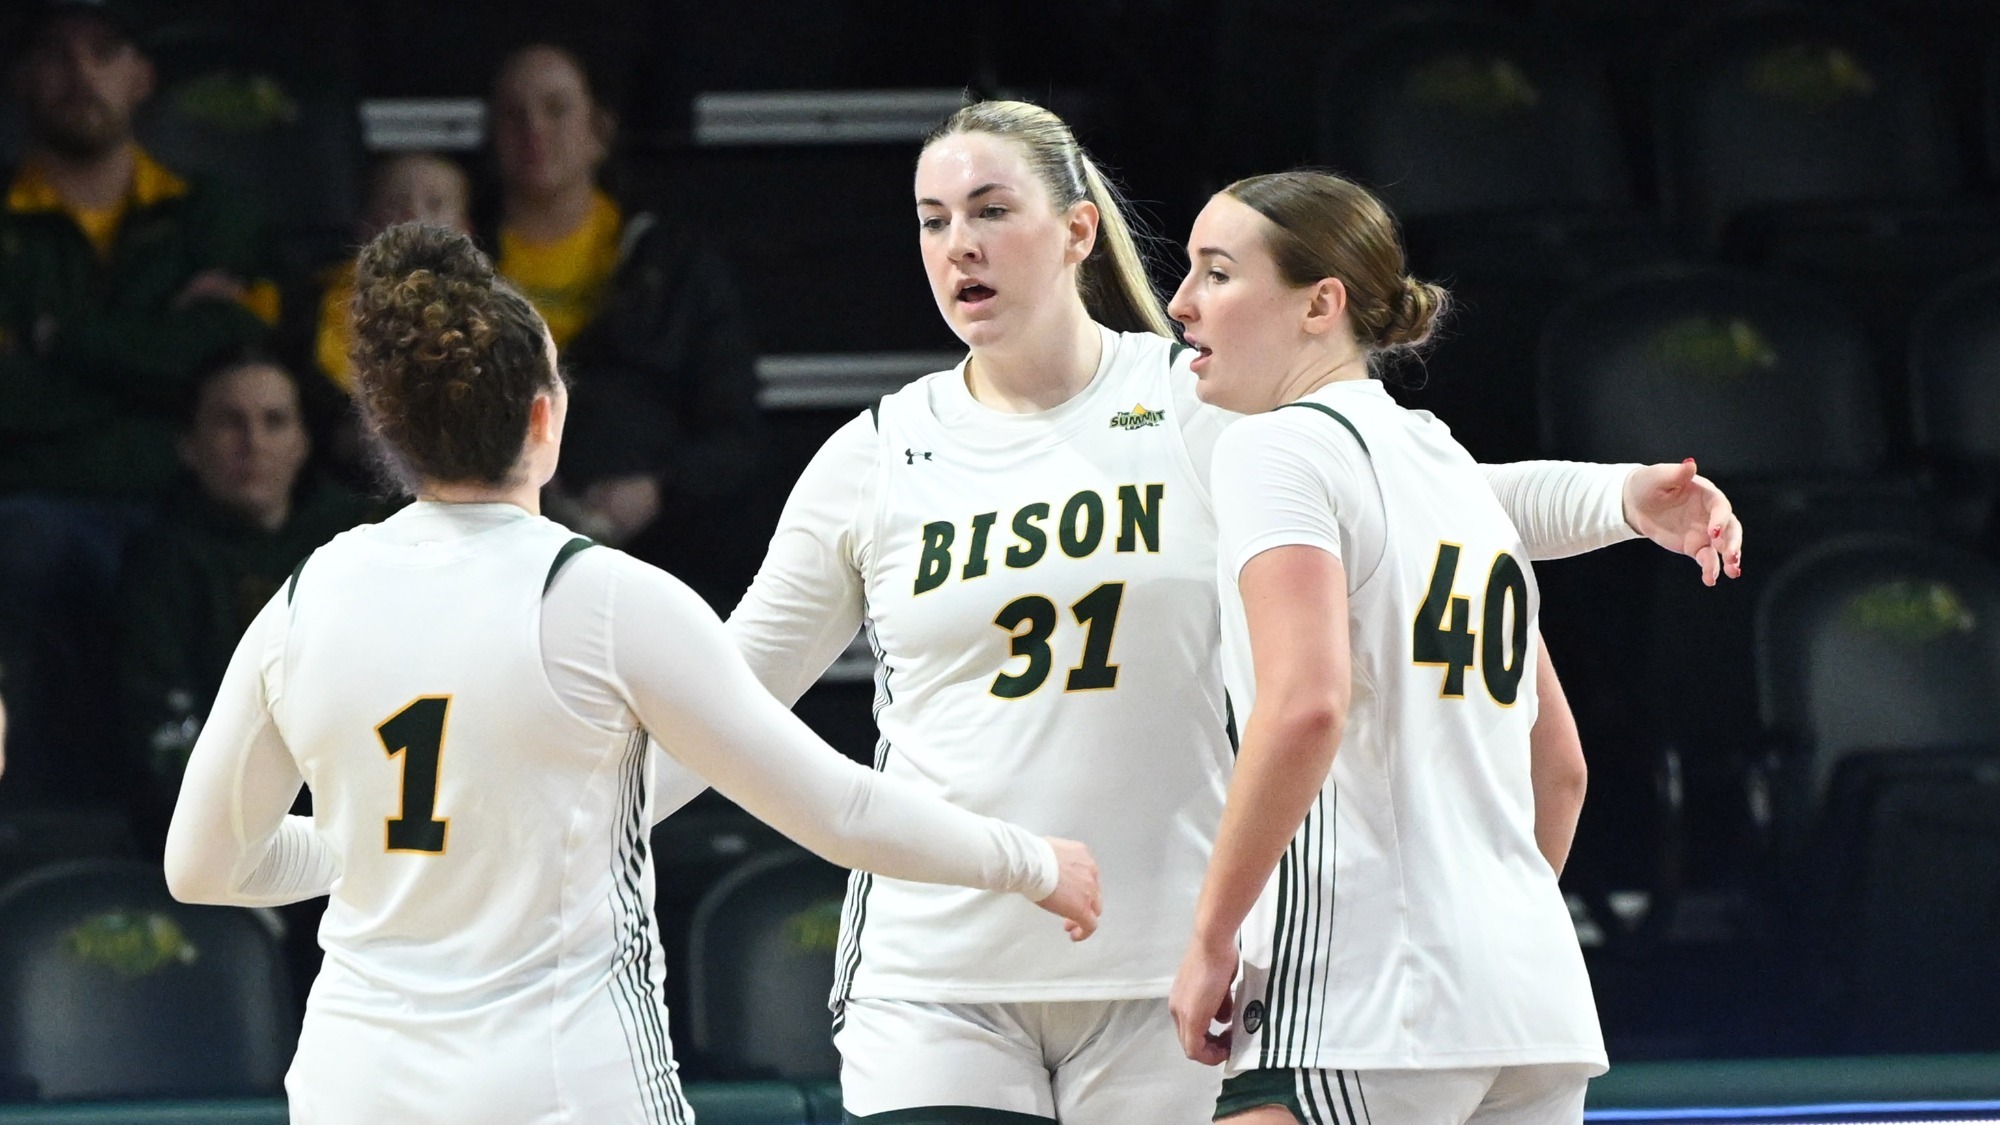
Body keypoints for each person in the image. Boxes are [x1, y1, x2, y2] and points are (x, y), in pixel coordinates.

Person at [724, 100, 1744, 1123]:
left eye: (989, 210)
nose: (959, 245)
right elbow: (720, 694)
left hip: (1171, 964)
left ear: (1076, 230)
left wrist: (1611, 499)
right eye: (932, 220)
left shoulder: (1205, 402)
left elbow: (1409, 495)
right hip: (940, 968)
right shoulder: (874, 453)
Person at [162, 222, 1100, 1123]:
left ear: (388, 424)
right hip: (557, 1080)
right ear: (545, 413)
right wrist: (1027, 860)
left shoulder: (307, 593)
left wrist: (357, 844)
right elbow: (839, 810)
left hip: (352, 1081)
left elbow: (203, 865)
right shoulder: (600, 596)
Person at [1161, 173, 1736, 1123]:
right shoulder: (1446, 473)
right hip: (1533, 1003)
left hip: (1364, 1000)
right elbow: (1562, 772)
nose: (1181, 303)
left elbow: (1307, 703)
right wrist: (1627, 497)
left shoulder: (1273, 451)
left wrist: (1213, 934)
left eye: (1216, 274)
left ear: (1320, 304)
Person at [0, 0, 277, 803]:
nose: (81, 73)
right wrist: (156, 356)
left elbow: (234, 358)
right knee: (25, 546)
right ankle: (39, 841)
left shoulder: (214, 214)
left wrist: (58, 342)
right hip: (36, 511)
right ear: (22, 77)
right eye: (56, 53)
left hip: (191, 507)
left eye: (104, 50)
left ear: (144, 75)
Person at [486, 43, 763, 598]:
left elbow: (734, 433)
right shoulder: (457, 265)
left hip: (660, 554)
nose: (534, 129)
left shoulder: (673, 264)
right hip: (493, 554)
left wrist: (657, 492)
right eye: (513, 115)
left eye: (556, 109)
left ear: (600, 130)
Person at [116, 351, 379, 837]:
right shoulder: (161, 560)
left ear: (302, 442)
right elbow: (160, 727)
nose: (253, 443)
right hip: (226, 832)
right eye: (229, 422)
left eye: (275, 422)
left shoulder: (362, 542)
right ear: (188, 445)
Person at [312, 152, 474, 397]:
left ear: (465, 231)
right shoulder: (321, 303)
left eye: (434, 203)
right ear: (366, 225)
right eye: (396, 204)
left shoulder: (482, 314)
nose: (413, 214)